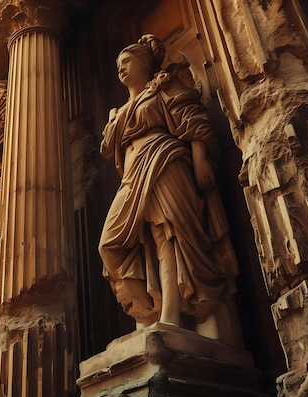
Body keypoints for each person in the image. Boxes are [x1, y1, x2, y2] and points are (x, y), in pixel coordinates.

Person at [98, 34, 238, 329]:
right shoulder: (121, 110)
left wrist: (200, 159)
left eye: (126, 62)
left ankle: (171, 315)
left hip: (165, 160)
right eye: (117, 65)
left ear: (144, 63)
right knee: (109, 245)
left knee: (168, 237)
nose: (120, 69)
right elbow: (111, 149)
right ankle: (149, 311)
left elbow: (193, 117)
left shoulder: (163, 87)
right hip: (135, 176)